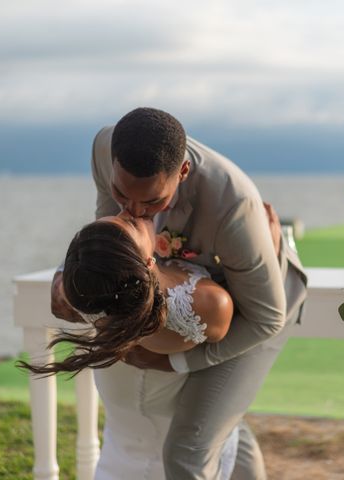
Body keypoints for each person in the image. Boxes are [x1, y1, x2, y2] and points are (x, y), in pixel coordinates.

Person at [51, 107, 307, 480]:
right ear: (112, 163)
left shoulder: (233, 204)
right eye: (121, 193)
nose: (135, 212)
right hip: (194, 287)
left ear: (183, 173)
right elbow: (114, 238)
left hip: (260, 308)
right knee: (220, 418)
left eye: (153, 202)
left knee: (188, 449)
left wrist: (176, 363)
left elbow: (267, 317)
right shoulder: (104, 147)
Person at [21, 214, 240, 479]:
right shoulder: (206, 305)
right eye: (132, 225)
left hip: (120, 449)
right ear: (144, 263)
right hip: (176, 457)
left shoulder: (85, 292)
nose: (127, 212)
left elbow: (64, 284)